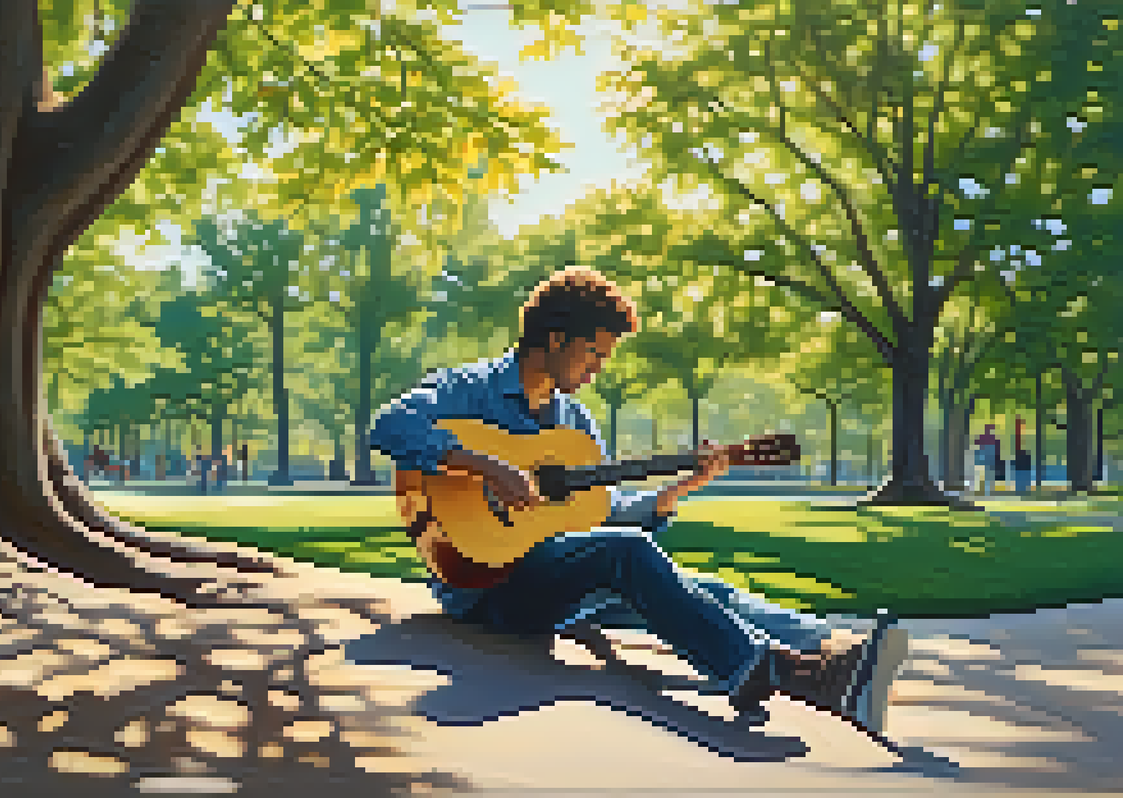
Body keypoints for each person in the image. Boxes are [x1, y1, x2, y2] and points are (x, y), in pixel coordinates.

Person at [369, 266, 905, 733]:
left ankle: (839, 653)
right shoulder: (472, 389)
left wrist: (675, 493)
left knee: (698, 586)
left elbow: (605, 520)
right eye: (592, 353)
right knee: (625, 553)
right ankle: (768, 670)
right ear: (555, 340)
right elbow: (390, 425)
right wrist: (484, 464)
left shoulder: (576, 427)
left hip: (557, 585)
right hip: (486, 586)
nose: (597, 368)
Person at [973, 424, 1000, 496]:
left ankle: (983, 490)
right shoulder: (993, 439)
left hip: (986, 457)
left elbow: (976, 442)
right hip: (987, 457)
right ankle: (985, 490)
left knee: (984, 473)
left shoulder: (984, 437)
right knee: (986, 473)